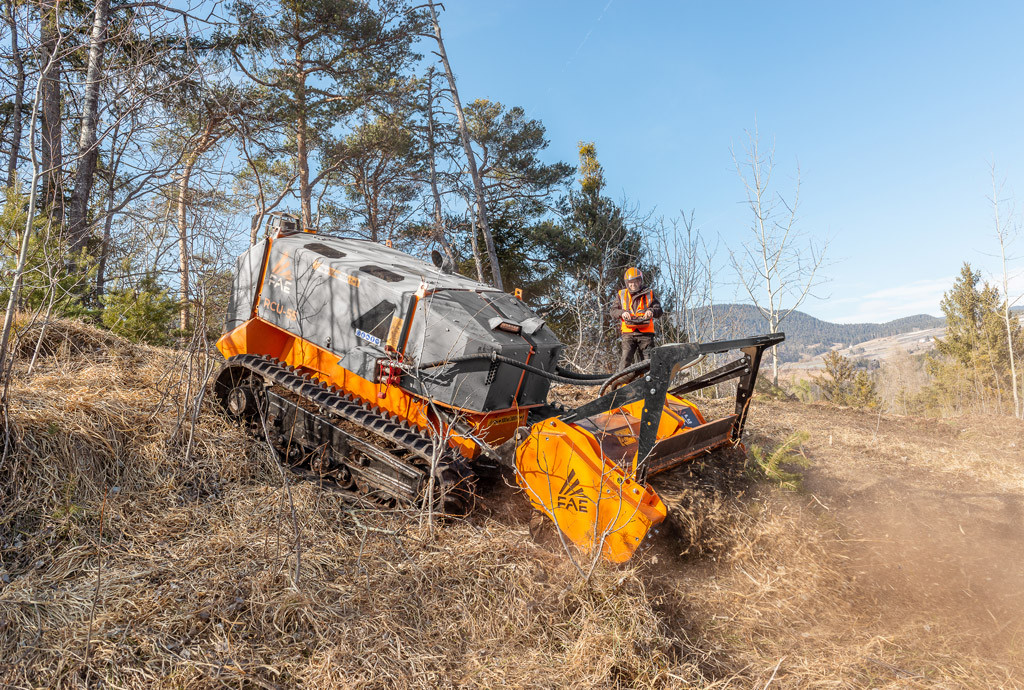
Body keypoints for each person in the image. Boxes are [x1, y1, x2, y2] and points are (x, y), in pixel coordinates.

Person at [609, 267, 662, 379]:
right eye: (630, 282)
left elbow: (659, 310)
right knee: (625, 360)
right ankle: (621, 387)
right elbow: (613, 311)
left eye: (635, 282)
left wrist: (651, 311)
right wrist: (622, 313)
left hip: (646, 334)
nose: (633, 285)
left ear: (640, 281)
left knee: (649, 363)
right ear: (627, 283)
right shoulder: (621, 294)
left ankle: (648, 389)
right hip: (628, 333)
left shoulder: (649, 293)